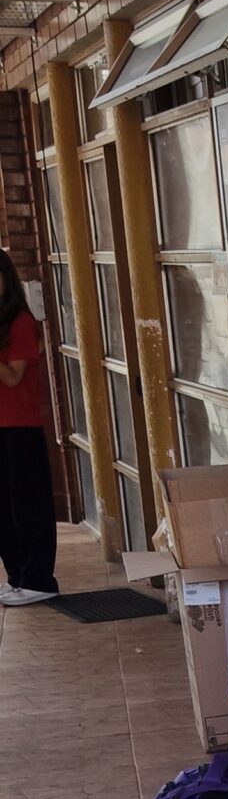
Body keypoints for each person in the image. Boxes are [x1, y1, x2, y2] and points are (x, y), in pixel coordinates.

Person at [0, 250, 59, 604]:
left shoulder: (20, 322)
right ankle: (17, 576)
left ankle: (39, 580)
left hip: (20, 427)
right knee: (4, 509)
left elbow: (12, 377)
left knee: (28, 505)